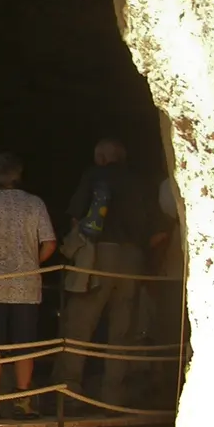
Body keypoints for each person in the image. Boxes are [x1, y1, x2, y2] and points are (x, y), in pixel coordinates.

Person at [55, 139, 158, 406]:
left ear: (101, 157)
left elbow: (77, 216)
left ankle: (69, 394)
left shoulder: (95, 176)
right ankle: (114, 396)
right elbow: (154, 227)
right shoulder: (139, 182)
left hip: (100, 255)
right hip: (133, 259)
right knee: (122, 331)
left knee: (80, 324)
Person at [0, 153, 56, 416]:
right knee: (24, 343)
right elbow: (49, 243)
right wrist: (33, 262)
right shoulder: (34, 203)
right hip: (27, 284)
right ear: (18, 174)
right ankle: (23, 399)